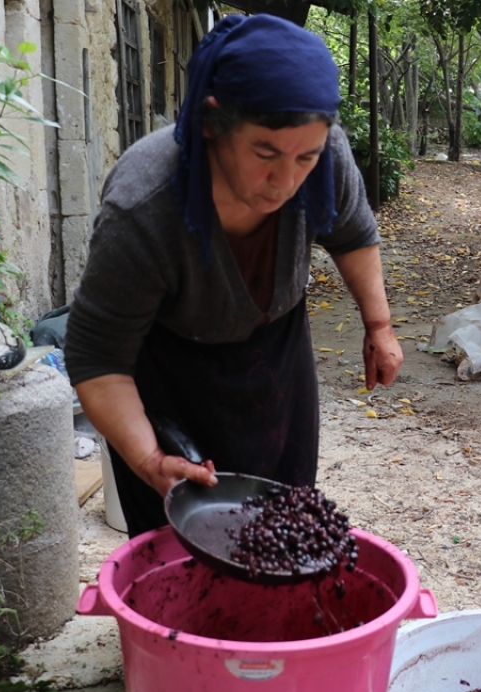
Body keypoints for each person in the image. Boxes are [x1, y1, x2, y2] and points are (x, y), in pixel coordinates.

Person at [65, 13, 401, 537]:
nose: (286, 180)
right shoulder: (144, 205)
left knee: (283, 523)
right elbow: (97, 357)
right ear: (211, 121)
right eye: (264, 154)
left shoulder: (324, 153)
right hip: (169, 372)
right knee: (180, 540)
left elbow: (353, 232)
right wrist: (150, 460)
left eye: (304, 157)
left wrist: (378, 325)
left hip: (278, 356)